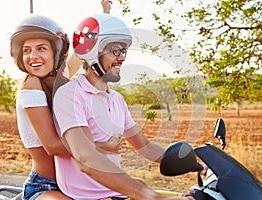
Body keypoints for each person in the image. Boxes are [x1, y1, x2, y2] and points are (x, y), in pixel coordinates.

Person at [53, 13, 195, 200]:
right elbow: (86, 159)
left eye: (123, 51)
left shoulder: (117, 99)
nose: (121, 58)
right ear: (92, 53)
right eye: (114, 51)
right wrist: (151, 197)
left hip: (115, 193)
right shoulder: (70, 95)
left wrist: (198, 163)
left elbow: (144, 145)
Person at [10, 1, 119, 200]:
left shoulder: (59, 82)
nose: (33, 56)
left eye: (41, 48)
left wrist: (104, 14)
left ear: (57, 52)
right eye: (26, 50)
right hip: (46, 187)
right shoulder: (31, 85)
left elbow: (84, 47)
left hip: (79, 184)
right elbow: (52, 147)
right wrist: (104, 145)